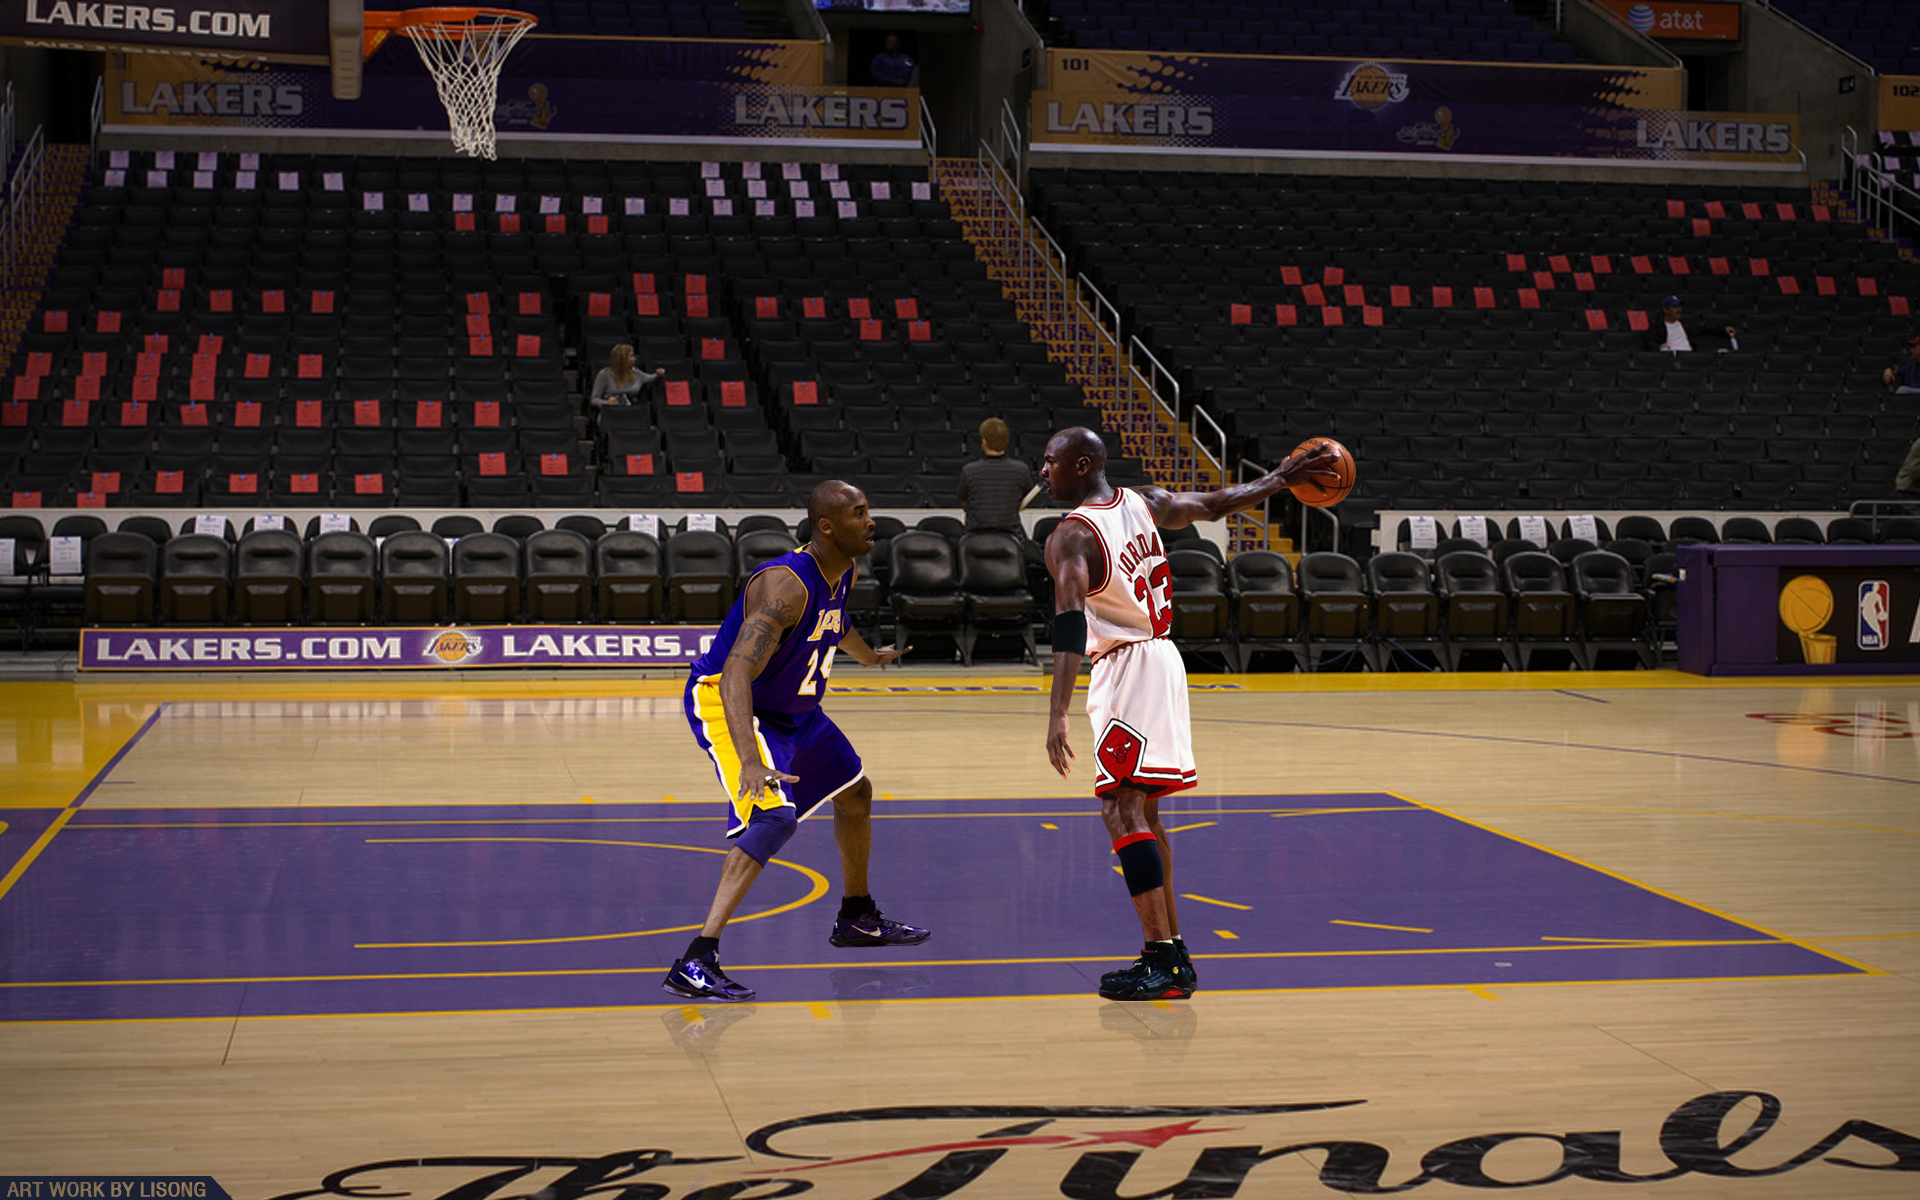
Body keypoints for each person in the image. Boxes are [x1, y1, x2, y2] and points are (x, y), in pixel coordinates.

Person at [1038, 427, 1338, 1002]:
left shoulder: (1072, 535)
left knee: (1120, 809)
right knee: (1143, 812)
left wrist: (1058, 713)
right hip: (1161, 658)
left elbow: (1070, 622)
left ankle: (1161, 960)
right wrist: (1280, 479)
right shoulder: (1145, 501)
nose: (1042, 470)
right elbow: (1217, 503)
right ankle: (1173, 955)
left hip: (1128, 667)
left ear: (1080, 465)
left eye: (1050, 461)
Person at [663, 480, 927, 1003]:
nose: (870, 521)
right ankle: (696, 960)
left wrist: (868, 656)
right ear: (827, 526)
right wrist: (749, 761)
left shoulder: (843, 570)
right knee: (774, 818)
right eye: (859, 513)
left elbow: (834, 623)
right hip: (732, 702)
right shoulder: (786, 586)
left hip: (796, 712)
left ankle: (857, 918)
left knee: (855, 792)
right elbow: (735, 674)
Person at [957, 417, 1033, 534]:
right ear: (1007, 442)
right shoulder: (1021, 470)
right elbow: (1024, 500)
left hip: (975, 537)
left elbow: (965, 503)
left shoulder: (969, 471)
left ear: (984, 442)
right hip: (1011, 536)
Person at [1644, 295, 1738, 353]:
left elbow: (1704, 327)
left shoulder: (1686, 324)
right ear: (1666, 310)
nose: (1679, 310)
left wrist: (1723, 329)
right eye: (1675, 307)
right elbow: (1649, 342)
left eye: (1679, 307)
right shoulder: (1657, 326)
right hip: (1672, 358)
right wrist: (1659, 347)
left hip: (1690, 357)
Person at [589, 344, 664, 411]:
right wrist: (606, 402)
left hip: (632, 410)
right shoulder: (604, 374)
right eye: (631, 356)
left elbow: (651, 378)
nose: (634, 359)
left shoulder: (636, 373)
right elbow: (594, 400)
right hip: (611, 412)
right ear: (622, 359)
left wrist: (658, 374)